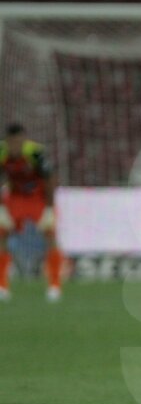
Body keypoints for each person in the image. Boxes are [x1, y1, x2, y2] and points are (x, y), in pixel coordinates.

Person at [0, 123, 64, 302]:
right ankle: (2, 285)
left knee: (50, 235)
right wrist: (2, 207)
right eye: (12, 143)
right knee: (2, 234)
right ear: (7, 141)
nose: (15, 146)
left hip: (38, 197)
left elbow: (50, 179)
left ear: (24, 140)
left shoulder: (36, 153)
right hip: (15, 197)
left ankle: (55, 285)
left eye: (19, 142)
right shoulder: (2, 152)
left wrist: (50, 209)